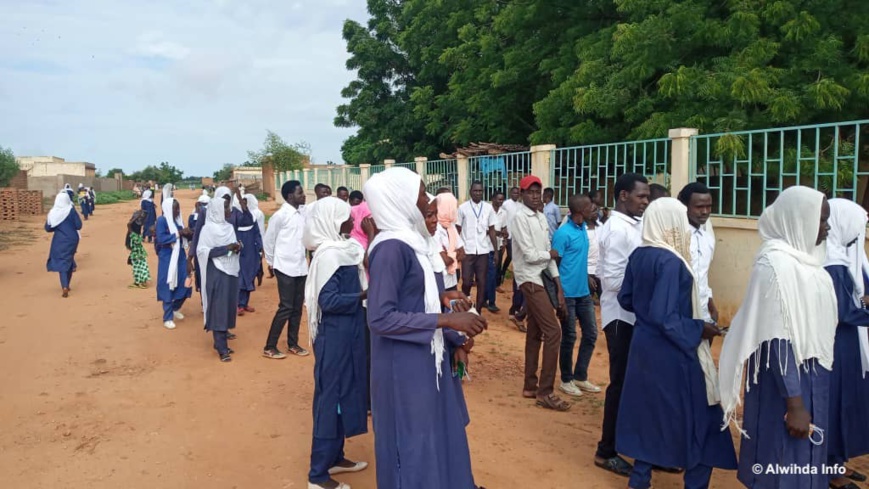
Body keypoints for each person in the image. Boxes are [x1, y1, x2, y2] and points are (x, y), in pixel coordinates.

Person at [365, 167, 487, 489]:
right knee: (413, 442)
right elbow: (379, 318)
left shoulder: (413, 243)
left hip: (426, 356)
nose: (426, 200)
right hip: (402, 366)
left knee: (438, 433)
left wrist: (451, 335)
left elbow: (418, 302)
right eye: (420, 194)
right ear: (400, 200)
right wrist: (447, 320)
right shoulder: (390, 248)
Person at [718, 186, 836, 489]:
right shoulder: (774, 265)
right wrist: (794, 402)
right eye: (821, 221)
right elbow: (777, 338)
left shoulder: (810, 261)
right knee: (780, 462)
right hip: (783, 383)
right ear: (798, 220)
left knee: (808, 463)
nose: (827, 228)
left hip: (815, 376)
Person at [616, 198, 736, 489]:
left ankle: (640, 479)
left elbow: (626, 299)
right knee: (701, 419)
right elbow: (665, 316)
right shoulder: (671, 261)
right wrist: (700, 328)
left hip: (644, 346)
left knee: (651, 414)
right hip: (673, 350)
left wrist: (650, 316)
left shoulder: (640, 254)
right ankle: (695, 482)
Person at [303, 197, 370, 489]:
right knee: (331, 399)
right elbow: (327, 301)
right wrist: (361, 298)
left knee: (346, 394)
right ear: (332, 220)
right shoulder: (329, 255)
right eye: (346, 216)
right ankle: (317, 475)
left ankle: (336, 456)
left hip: (350, 332)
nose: (352, 220)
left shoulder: (345, 248)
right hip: (334, 336)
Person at [594, 173, 649, 476]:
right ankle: (606, 451)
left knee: (633, 385)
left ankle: (637, 445)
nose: (645, 202)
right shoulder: (617, 229)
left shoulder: (634, 226)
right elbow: (612, 280)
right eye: (641, 196)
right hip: (620, 316)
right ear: (624, 195)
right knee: (619, 384)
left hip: (635, 314)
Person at [511, 175, 569, 412]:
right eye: (530, 192)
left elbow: (546, 252)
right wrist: (551, 255)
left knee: (535, 332)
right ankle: (545, 391)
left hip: (542, 279)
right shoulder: (519, 217)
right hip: (529, 279)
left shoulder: (541, 217)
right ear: (522, 194)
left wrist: (558, 283)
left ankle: (530, 386)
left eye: (538, 192)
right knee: (554, 332)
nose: (535, 196)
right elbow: (530, 255)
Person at [823, 199, 869, 489]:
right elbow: (843, 310)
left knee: (847, 403)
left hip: (849, 342)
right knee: (835, 405)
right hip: (836, 344)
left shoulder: (845, 252)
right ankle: (830, 470)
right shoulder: (831, 259)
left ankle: (837, 463)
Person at [552, 194, 600, 398]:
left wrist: (587, 277)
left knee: (590, 334)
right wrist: (559, 294)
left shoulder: (583, 230)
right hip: (568, 294)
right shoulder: (563, 233)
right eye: (590, 206)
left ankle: (580, 376)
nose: (594, 209)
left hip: (583, 293)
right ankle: (566, 379)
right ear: (580, 211)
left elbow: (579, 259)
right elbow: (554, 263)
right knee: (569, 336)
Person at [263, 180, 309, 359]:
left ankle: (293, 343)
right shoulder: (280, 216)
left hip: (300, 266)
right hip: (284, 267)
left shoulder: (302, 212)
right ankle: (270, 346)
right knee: (286, 307)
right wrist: (272, 264)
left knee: (297, 308)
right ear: (290, 196)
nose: (304, 195)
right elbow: (269, 240)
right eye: (300, 193)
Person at [196, 187, 241, 362]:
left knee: (228, 305)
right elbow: (203, 251)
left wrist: (236, 248)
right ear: (217, 211)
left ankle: (220, 342)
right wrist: (225, 249)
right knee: (219, 307)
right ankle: (222, 348)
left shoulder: (229, 227)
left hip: (230, 270)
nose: (229, 211)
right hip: (216, 272)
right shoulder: (208, 230)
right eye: (226, 208)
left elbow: (231, 249)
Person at [678, 183, 718, 323]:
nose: (705, 211)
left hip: (704, 315)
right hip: (681, 315)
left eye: (709, 206)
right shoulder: (677, 238)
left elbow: (703, 276)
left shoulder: (707, 239)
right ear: (684, 206)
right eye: (699, 207)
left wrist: (711, 304)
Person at [457, 181, 498, 311]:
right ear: (470, 192)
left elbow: (491, 230)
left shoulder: (488, 208)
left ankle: (478, 311)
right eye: (475, 191)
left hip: (483, 251)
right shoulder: (463, 208)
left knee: (482, 281)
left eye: (480, 191)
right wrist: (458, 248)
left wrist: (496, 251)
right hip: (468, 250)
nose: (478, 193)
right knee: (467, 281)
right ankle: (465, 303)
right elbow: (457, 229)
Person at [155, 195, 193, 330]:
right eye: (175, 209)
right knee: (168, 284)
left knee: (186, 283)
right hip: (167, 257)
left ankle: (175, 307)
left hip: (180, 256)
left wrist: (188, 233)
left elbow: (183, 237)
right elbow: (161, 239)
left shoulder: (178, 221)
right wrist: (178, 233)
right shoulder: (162, 221)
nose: (177, 212)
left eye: (178, 209)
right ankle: (168, 317)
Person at [229, 189, 262, 315]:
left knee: (249, 276)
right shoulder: (233, 218)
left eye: (245, 203)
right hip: (239, 252)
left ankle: (244, 303)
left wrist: (259, 249)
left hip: (251, 252)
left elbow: (257, 233)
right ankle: (238, 304)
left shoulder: (251, 218)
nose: (244, 205)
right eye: (241, 202)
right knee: (240, 278)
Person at [45, 192, 82, 298]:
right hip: (73, 239)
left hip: (59, 240)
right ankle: (67, 284)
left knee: (61, 261)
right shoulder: (71, 210)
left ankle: (65, 286)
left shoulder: (53, 212)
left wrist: (57, 226)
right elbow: (78, 225)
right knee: (69, 259)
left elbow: (48, 228)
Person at [435, 192, 464, 292]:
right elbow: (445, 261)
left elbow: (463, 253)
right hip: (440, 280)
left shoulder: (451, 227)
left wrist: (450, 254)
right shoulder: (435, 228)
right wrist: (456, 253)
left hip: (452, 279)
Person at [483, 191, 506, 312]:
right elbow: (484, 230)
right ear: (493, 199)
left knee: (492, 275)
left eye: (502, 199)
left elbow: (504, 228)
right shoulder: (486, 211)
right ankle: (490, 302)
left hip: (497, 248)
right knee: (489, 276)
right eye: (498, 199)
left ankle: (485, 300)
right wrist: (496, 232)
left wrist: (504, 240)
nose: (500, 202)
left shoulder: (504, 213)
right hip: (486, 247)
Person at [126, 210, 151, 289]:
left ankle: (138, 282)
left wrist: (135, 217)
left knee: (137, 268)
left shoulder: (133, 235)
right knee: (142, 267)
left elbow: (129, 224)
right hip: (139, 254)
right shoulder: (138, 235)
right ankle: (141, 281)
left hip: (136, 255)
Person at [245, 194, 267, 286]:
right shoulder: (259, 212)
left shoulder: (250, 213)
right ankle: (259, 272)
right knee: (258, 257)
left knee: (251, 259)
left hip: (252, 238)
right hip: (260, 237)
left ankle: (253, 276)